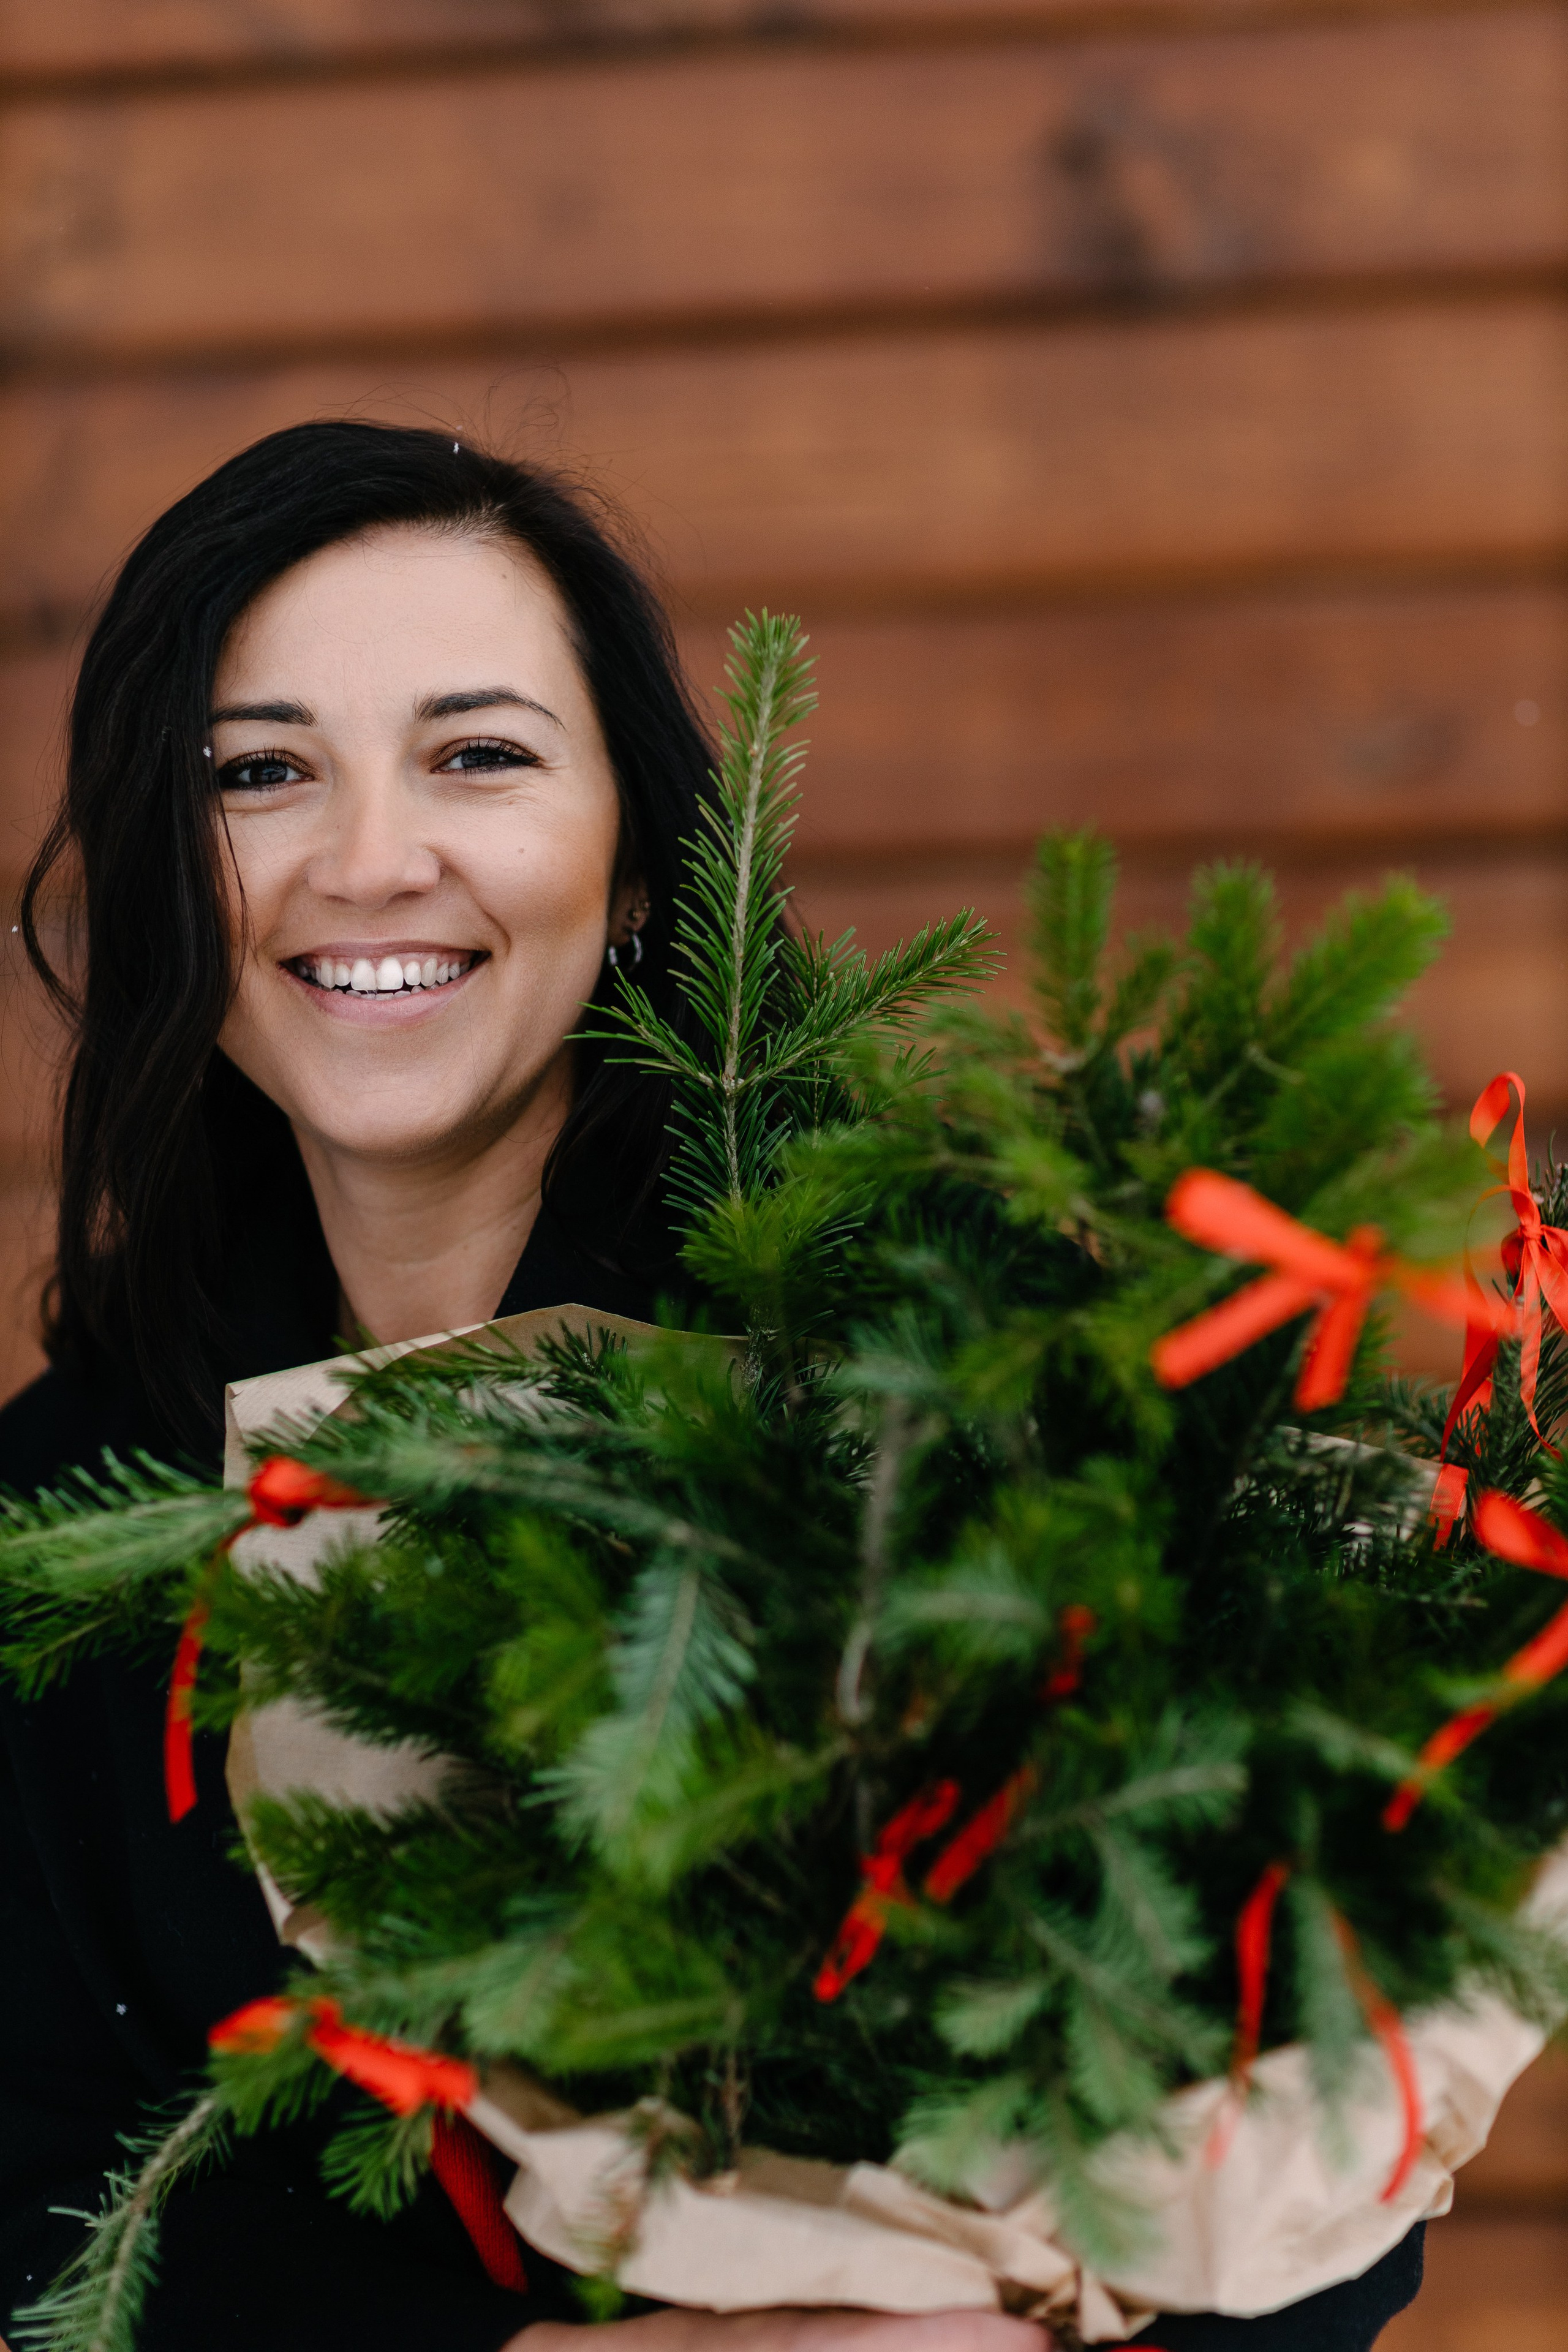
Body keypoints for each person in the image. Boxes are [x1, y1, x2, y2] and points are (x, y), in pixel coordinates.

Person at [0, 422, 1425, 2351]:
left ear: (646, 859)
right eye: (260, 774)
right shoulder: (75, 1509)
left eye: (477, 755)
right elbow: (32, 2190)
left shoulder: (926, 1364)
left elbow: (1316, 2097)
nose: (363, 862)